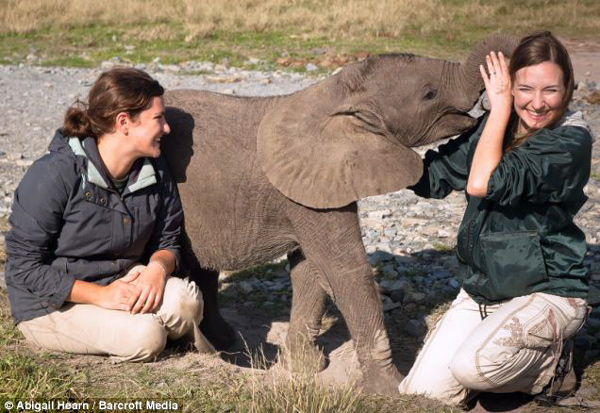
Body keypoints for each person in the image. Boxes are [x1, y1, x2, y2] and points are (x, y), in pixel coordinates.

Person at [397, 31, 593, 406]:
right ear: (511, 85)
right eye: (525, 89)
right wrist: (373, 147)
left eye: (550, 90)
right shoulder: (497, 126)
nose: (537, 103)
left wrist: (501, 108)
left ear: (568, 89)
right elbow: (434, 177)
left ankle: (551, 366)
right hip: (482, 293)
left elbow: (482, 182)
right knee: (421, 396)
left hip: (549, 293)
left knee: (473, 368)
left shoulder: (569, 143)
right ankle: (499, 354)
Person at [5, 67, 214, 361]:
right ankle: (141, 332)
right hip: (51, 305)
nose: (166, 128)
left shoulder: (153, 168)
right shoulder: (55, 173)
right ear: (124, 122)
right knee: (147, 334)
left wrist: (157, 269)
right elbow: (24, 267)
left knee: (185, 303)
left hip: (121, 282)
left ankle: (141, 328)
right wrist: (101, 296)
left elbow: (168, 239)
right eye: (158, 118)